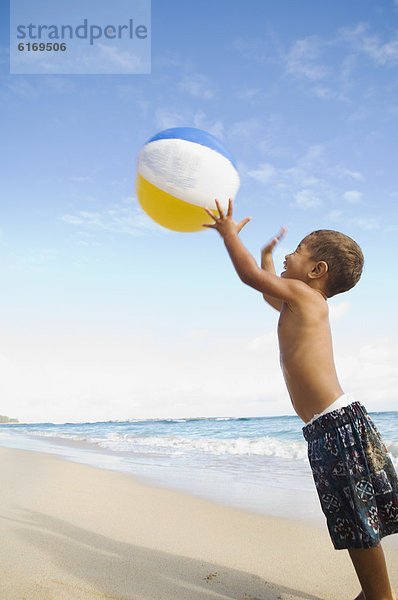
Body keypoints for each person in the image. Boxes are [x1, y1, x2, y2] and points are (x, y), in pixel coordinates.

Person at [203, 199, 398, 600]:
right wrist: (268, 255)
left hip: (336, 425)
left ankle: (380, 597)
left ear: (317, 270)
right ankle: (374, 593)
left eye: (299, 250)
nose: (290, 256)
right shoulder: (298, 301)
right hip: (328, 427)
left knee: (357, 519)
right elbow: (267, 293)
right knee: (353, 517)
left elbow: (251, 279)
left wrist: (229, 236)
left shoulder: (307, 299)